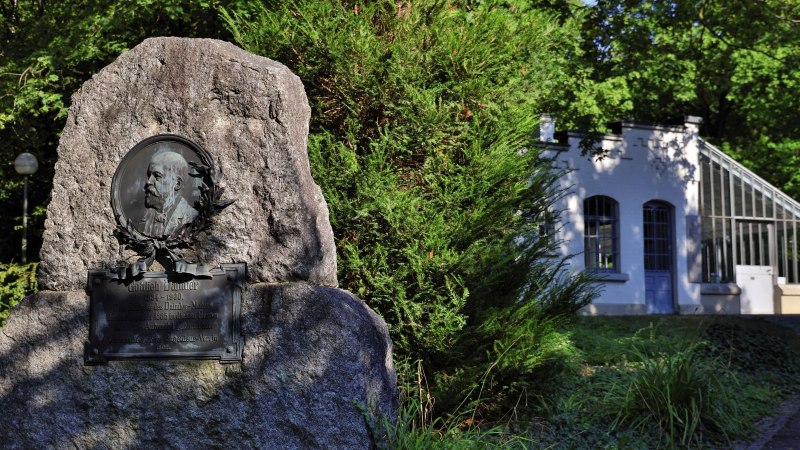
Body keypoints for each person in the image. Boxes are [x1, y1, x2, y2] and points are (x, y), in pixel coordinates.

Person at [139, 150, 198, 238]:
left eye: (157, 176)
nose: (148, 182)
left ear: (177, 184)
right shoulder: (144, 217)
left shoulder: (191, 217)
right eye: (149, 175)